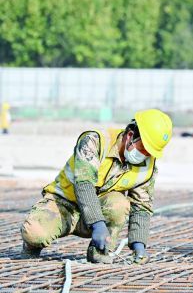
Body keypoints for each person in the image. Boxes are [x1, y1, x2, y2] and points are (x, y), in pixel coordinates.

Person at [20, 109, 172, 264]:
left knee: (119, 203)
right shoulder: (95, 141)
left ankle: (99, 251)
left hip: (99, 209)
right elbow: (84, 185)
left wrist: (138, 245)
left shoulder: (147, 167)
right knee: (35, 233)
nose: (145, 155)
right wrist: (97, 223)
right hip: (63, 205)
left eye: (149, 152)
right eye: (143, 149)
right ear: (130, 135)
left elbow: (142, 206)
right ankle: (32, 245)